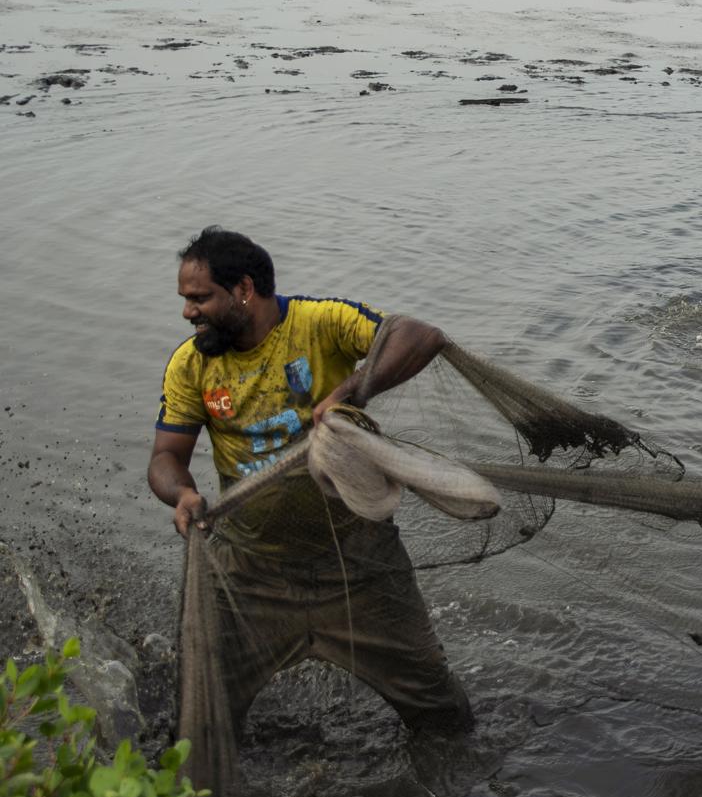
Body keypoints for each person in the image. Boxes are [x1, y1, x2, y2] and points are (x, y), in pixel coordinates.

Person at [148, 227, 473, 734]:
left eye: (199, 298)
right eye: (186, 300)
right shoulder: (191, 365)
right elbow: (166, 457)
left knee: (441, 714)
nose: (188, 312)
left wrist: (351, 391)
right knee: (201, 723)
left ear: (244, 289)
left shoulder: (319, 323)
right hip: (249, 571)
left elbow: (420, 336)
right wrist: (182, 492)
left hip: (358, 559)